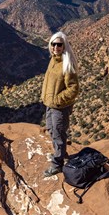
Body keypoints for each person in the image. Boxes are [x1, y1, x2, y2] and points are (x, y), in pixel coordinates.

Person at [41, 31, 79, 177]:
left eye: (59, 44)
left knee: (58, 133)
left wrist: (57, 100)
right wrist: (46, 97)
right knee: (51, 129)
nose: (56, 47)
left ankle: (57, 164)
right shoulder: (53, 60)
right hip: (49, 104)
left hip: (59, 107)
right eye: (53, 44)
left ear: (64, 46)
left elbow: (74, 89)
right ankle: (61, 153)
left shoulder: (67, 63)